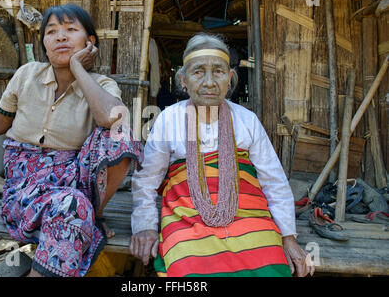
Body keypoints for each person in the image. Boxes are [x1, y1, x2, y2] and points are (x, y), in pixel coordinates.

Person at [0, 4, 143, 277]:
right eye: (52, 32)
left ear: (90, 42)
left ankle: (92, 211)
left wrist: (77, 70)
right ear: (44, 43)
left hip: (73, 179)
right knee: (72, 206)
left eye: (71, 29)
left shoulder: (101, 85)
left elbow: (112, 117)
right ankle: (85, 216)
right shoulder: (26, 75)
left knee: (120, 133)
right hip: (25, 184)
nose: (61, 37)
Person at [129, 33, 315, 277]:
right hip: (187, 219)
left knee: (268, 263)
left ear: (229, 79)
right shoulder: (168, 119)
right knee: (191, 266)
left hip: (250, 216)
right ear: (183, 80)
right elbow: (146, 180)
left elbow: (274, 181)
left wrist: (288, 237)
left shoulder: (246, 120)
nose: (209, 82)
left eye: (218, 71)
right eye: (198, 72)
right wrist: (144, 226)